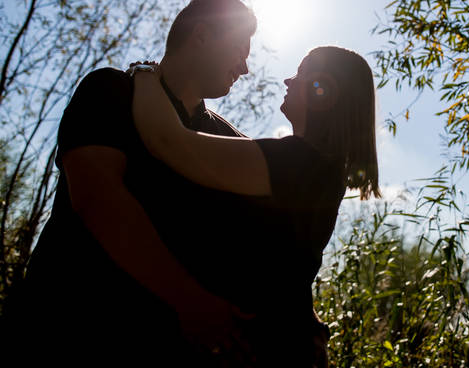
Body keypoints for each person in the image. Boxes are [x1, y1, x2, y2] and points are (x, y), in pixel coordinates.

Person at [1, 0, 258, 366]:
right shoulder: (110, 91)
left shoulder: (227, 140)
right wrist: (190, 300)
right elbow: (97, 198)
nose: (245, 67)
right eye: (240, 50)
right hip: (58, 333)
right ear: (202, 36)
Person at [130, 45, 382, 367]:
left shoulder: (301, 165)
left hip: (273, 349)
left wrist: (144, 73)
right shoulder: (316, 168)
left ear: (324, 93)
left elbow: (168, 142)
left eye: (302, 73)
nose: (289, 80)